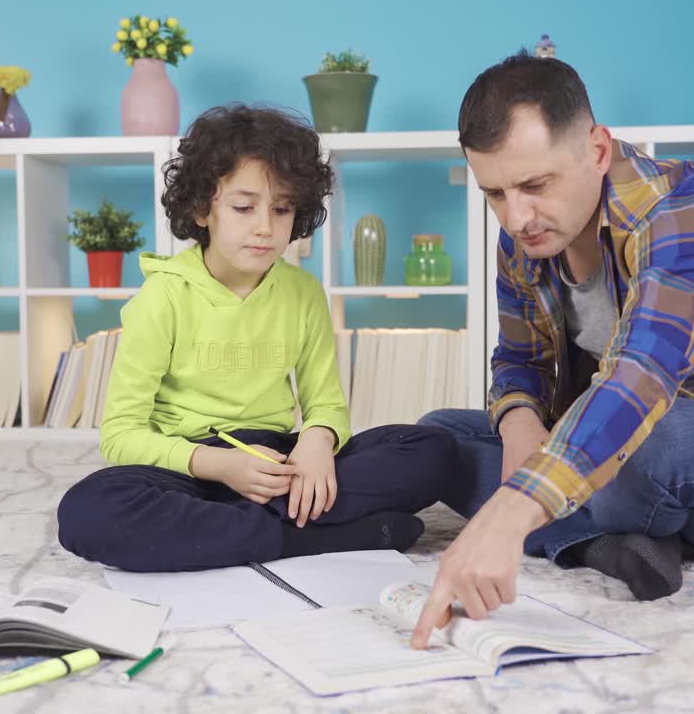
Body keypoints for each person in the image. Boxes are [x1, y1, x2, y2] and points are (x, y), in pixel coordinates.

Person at [411, 52, 694, 646]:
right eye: (494, 194)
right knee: (438, 436)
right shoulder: (523, 240)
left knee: (645, 443)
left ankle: (587, 526)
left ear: (597, 150)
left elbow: (639, 380)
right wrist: (520, 433)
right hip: (625, 450)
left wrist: (513, 510)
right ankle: (616, 538)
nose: (516, 217)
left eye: (535, 185)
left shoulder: (689, 212)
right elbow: (518, 363)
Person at [58, 104, 457, 573]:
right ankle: (319, 537)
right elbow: (121, 436)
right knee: (87, 511)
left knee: (436, 451)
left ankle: (237, 530)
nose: (265, 226)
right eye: (244, 207)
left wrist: (316, 443)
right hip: (191, 468)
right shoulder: (161, 297)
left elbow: (326, 405)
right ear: (201, 209)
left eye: (282, 208)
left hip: (281, 464)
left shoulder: (304, 293)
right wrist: (220, 466)